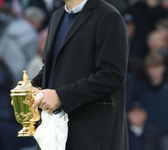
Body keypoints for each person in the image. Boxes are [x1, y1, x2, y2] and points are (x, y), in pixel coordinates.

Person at [31, 0, 129, 149]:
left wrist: (61, 96)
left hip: (91, 136)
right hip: (53, 133)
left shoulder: (109, 16)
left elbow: (112, 76)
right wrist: (28, 88)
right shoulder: (56, 16)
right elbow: (50, 69)